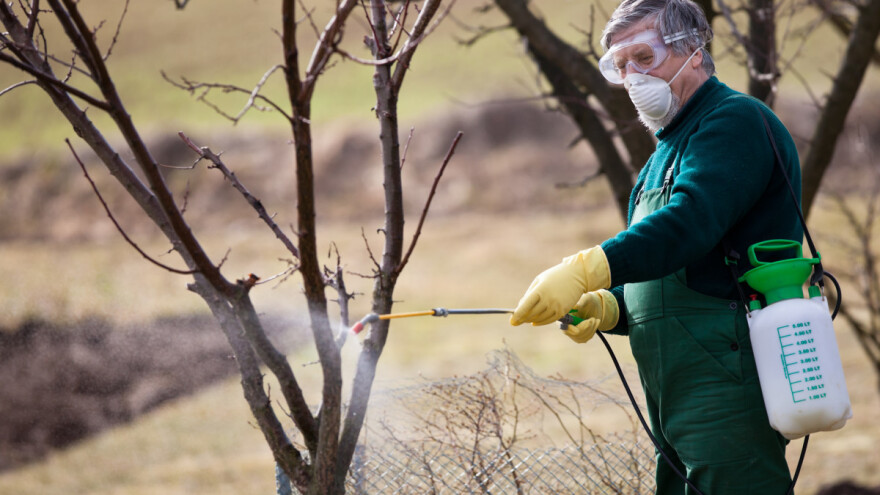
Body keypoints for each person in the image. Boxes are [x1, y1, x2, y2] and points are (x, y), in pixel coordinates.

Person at [509, 0, 804, 493]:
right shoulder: (663, 152)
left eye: (643, 58)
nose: (631, 76)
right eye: (620, 66)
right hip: (671, 394)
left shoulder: (733, 122)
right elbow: (672, 276)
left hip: (727, 378)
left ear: (692, 50)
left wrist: (590, 267)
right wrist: (611, 308)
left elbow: (689, 224)